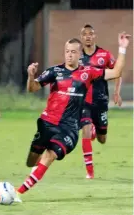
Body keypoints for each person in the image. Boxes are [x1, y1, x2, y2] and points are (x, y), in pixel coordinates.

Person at [13, 32, 130, 201]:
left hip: (69, 129)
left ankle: (19, 192)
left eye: (73, 52)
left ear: (80, 55)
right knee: (31, 162)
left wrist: (122, 48)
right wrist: (31, 76)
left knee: (50, 155)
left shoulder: (88, 73)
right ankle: (34, 174)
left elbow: (116, 72)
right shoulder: (54, 71)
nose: (69, 54)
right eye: (67, 51)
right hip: (47, 124)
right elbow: (32, 88)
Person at [79, 24, 122, 179]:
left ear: (94, 36)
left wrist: (117, 92)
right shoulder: (77, 56)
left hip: (101, 100)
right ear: (82, 37)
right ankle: (89, 172)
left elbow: (118, 70)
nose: (88, 36)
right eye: (85, 34)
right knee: (85, 129)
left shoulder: (104, 54)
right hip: (83, 101)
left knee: (102, 139)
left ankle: (97, 131)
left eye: (91, 33)